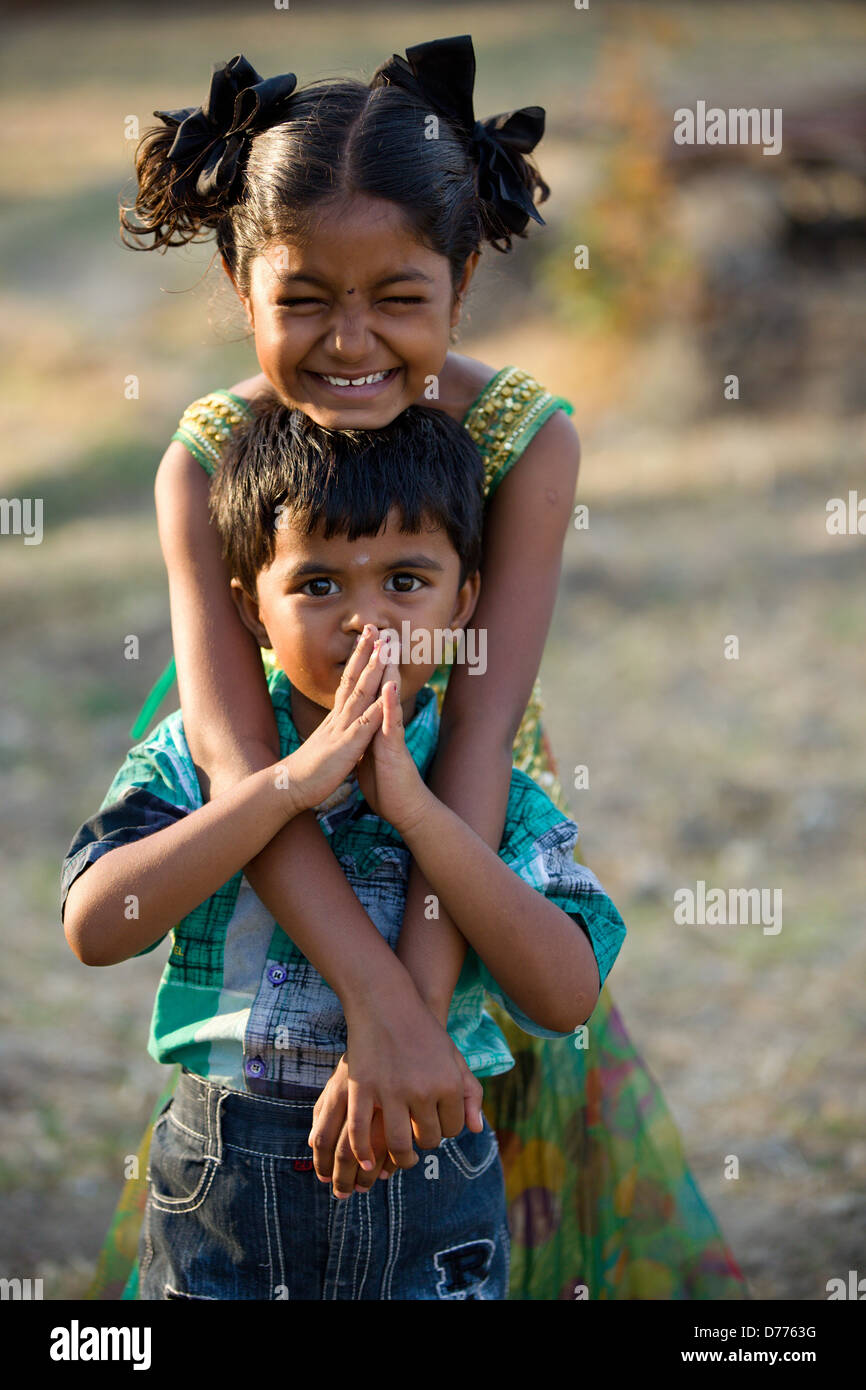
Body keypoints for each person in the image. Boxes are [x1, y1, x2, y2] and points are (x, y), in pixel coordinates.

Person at [87, 36, 746, 1299]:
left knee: (460, 1139)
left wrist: (419, 1019)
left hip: (457, 808)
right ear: (240, 279)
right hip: (265, 795)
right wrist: (373, 1007)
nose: (349, 343)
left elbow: (482, 736)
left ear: (462, 277)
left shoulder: (524, 442)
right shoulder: (208, 457)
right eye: (301, 300)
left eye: (397, 296)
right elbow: (239, 757)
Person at [61, 401, 627, 1301]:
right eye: (319, 585)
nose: (367, 623)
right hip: (225, 1187)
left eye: (406, 580)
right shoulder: (196, 758)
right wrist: (281, 789)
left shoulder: (484, 787)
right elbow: (97, 926)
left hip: (431, 1187)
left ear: (464, 600)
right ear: (250, 607)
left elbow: (564, 996)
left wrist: (418, 813)